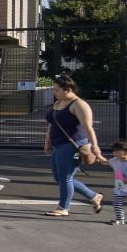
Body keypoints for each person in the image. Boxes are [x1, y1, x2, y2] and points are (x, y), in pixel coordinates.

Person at [43, 73, 104, 217]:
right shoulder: (58, 103)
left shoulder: (79, 105)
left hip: (72, 145)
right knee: (60, 178)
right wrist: (47, 142)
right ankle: (94, 196)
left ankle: (63, 207)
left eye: (56, 89)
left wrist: (95, 147)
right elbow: (52, 124)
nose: (54, 92)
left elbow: (88, 127)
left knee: (65, 178)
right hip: (58, 145)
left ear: (67, 89)